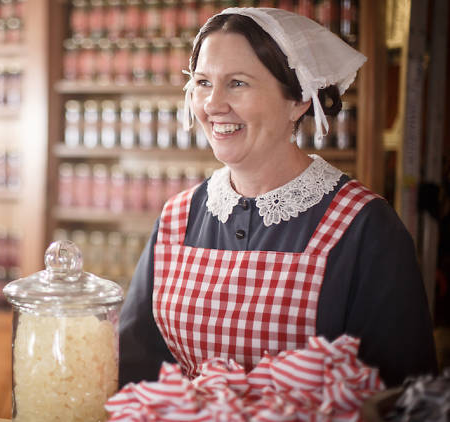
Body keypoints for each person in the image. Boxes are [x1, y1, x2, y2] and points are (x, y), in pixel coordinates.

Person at [118, 7, 437, 388]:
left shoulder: (365, 227)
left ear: (300, 100)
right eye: (203, 82)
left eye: (237, 83)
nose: (213, 104)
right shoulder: (176, 218)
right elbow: (137, 372)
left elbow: (405, 396)